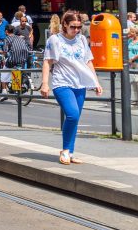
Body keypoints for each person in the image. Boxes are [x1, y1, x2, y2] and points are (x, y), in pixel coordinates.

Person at [41, 11, 102, 166]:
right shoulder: (54, 40)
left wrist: (96, 82)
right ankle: (66, 151)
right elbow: (47, 62)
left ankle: (70, 151)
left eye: (79, 27)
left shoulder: (81, 39)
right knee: (73, 115)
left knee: (75, 119)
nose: (76, 30)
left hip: (79, 83)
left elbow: (88, 61)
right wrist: (45, 83)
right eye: (73, 27)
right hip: (62, 83)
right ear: (65, 25)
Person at [1, 24, 31, 99]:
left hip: (14, 59)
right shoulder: (19, 38)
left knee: (4, 71)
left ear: (6, 31)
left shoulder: (7, 39)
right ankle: (15, 88)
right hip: (23, 59)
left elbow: (5, 51)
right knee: (16, 70)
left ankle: (4, 91)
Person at [126, 27, 138, 104]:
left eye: (132, 32)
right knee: (133, 82)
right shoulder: (129, 40)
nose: (130, 33)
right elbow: (126, 50)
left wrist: (132, 59)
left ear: (136, 33)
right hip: (130, 63)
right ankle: (135, 98)